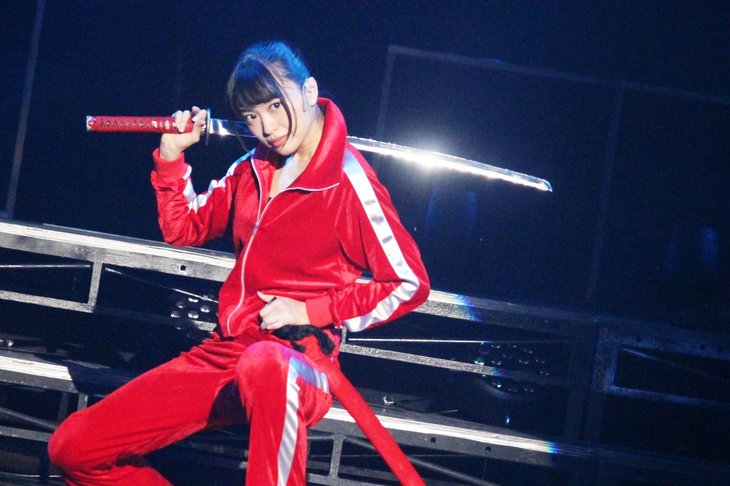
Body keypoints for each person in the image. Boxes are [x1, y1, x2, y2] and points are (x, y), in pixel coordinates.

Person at [48, 40, 430, 485]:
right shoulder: (251, 168)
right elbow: (183, 228)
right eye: (251, 116)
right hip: (226, 352)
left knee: (265, 363)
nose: (266, 127)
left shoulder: (349, 183)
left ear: (309, 91)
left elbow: (409, 283)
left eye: (274, 106)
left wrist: (312, 310)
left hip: (297, 360)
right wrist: (171, 157)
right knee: (73, 448)